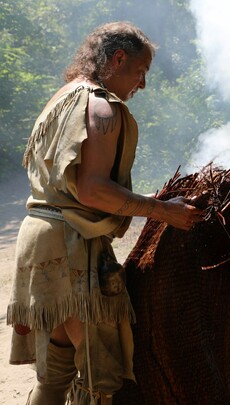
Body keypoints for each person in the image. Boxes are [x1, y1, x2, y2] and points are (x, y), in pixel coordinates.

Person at [6, 21, 203, 404]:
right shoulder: (100, 108)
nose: (141, 85)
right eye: (140, 72)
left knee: (56, 374)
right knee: (100, 374)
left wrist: (150, 198)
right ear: (117, 58)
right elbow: (93, 190)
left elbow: (69, 189)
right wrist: (163, 211)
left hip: (39, 243)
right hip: (69, 250)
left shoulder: (62, 98)